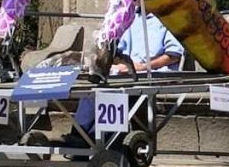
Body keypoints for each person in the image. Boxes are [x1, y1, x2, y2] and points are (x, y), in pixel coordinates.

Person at [73, 7, 184, 136]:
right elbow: (116, 51)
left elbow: (173, 55)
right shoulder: (129, 17)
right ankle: (78, 135)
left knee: (118, 93)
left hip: (152, 72)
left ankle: (96, 138)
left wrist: (142, 67)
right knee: (91, 91)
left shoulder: (168, 19)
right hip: (125, 72)